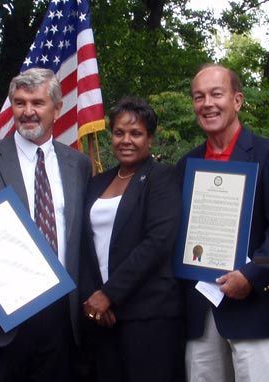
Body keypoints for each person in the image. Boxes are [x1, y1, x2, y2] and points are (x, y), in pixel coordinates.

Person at [0, 68, 92, 382]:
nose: (28, 112)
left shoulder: (78, 164)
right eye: (20, 103)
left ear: (57, 108)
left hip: (60, 319)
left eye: (37, 103)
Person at [176, 64, 269, 381]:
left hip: (256, 309)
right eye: (198, 97)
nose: (207, 104)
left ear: (237, 100)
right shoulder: (186, 165)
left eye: (217, 94)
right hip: (202, 312)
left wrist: (251, 276)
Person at [80, 96, 184, 382]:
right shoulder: (97, 182)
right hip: (102, 316)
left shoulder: (162, 178)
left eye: (136, 133)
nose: (126, 140)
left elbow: (158, 242)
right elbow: (84, 245)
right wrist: (94, 299)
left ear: (150, 139)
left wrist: (110, 294)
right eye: (119, 132)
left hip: (149, 313)